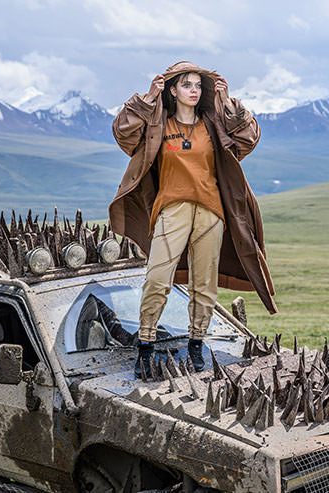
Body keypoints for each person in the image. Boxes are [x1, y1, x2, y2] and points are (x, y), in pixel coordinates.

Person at [109, 61, 278, 378]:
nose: (193, 91)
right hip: (171, 210)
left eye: (198, 86)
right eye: (186, 84)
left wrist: (230, 106)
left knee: (204, 285)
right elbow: (123, 133)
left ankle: (197, 342)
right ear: (172, 90)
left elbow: (249, 138)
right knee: (157, 280)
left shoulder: (212, 127)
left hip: (211, 213)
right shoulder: (158, 126)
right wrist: (146, 100)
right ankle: (145, 345)